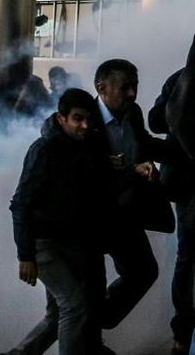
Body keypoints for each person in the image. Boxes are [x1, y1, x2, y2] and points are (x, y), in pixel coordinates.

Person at [4, 88, 109, 355]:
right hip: (45, 244)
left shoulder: (90, 143)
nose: (84, 125)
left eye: (88, 119)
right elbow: (21, 204)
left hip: (72, 242)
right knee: (74, 307)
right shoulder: (44, 149)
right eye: (77, 119)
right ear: (61, 118)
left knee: (60, 313)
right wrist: (25, 255)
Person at [91, 59, 172, 333]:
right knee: (78, 296)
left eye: (135, 86)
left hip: (124, 212)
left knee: (143, 272)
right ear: (102, 87)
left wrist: (183, 153)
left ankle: (98, 321)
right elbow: (56, 140)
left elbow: (145, 143)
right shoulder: (82, 117)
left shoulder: (132, 112)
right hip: (91, 215)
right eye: (125, 87)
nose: (132, 94)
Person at [148, 44, 195, 354]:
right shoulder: (179, 81)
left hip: (185, 184)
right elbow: (156, 122)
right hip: (188, 185)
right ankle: (182, 332)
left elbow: (156, 121)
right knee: (186, 257)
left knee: (186, 257)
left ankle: (181, 333)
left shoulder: (178, 79)